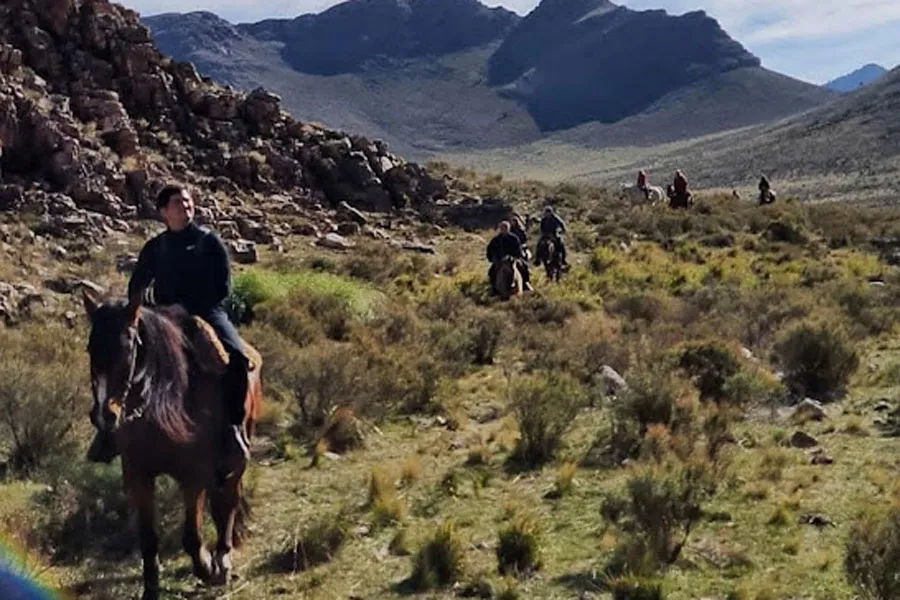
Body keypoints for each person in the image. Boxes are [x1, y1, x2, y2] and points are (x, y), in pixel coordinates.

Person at [91, 184, 251, 483]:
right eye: (178, 203)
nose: (185, 207)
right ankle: (108, 431)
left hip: (206, 313)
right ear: (164, 211)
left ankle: (232, 430)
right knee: (122, 359)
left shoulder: (208, 242)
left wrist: (191, 306)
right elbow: (137, 285)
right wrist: (142, 309)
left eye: (188, 202)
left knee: (237, 359)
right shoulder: (156, 247)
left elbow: (223, 287)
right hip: (163, 318)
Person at [486, 221, 532, 292]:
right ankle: (493, 288)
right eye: (502, 228)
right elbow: (490, 250)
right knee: (491, 271)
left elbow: (518, 249)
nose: (504, 229)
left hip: (513, 259)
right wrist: (494, 258)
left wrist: (514, 256)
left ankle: (525, 283)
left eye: (505, 228)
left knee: (524, 267)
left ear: (508, 229)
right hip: (500, 260)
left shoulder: (514, 238)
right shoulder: (496, 240)